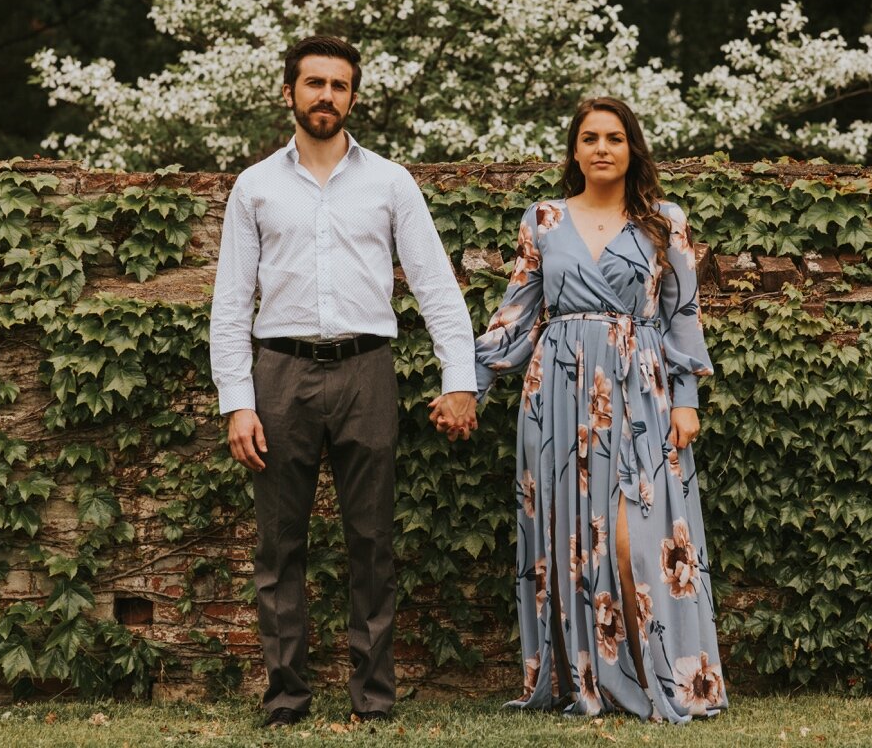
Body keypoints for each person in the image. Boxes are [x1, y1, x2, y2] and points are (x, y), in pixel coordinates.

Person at [210, 35, 478, 729]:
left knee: (371, 541)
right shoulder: (255, 186)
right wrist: (238, 402)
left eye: (339, 85)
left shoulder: (390, 182)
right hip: (280, 376)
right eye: (314, 83)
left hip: (367, 372)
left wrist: (460, 380)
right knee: (280, 546)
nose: (326, 95)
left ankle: (374, 700)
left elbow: (436, 287)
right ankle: (286, 700)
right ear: (289, 93)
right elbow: (232, 303)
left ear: (353, 97)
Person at [449, 96, 728, 723]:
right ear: (574, 150)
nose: (602, 147)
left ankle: (656, 677)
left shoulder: (664, 220)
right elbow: (515, 318)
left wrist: (686, 400)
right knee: (571, 540)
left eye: (615, 137)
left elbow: (682, 317)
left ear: (632, 149)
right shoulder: (544, 220)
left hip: (641, 391)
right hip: (558, 397)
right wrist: (468, 386)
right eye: (590, 137)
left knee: (638, 541)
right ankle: (588, 680)